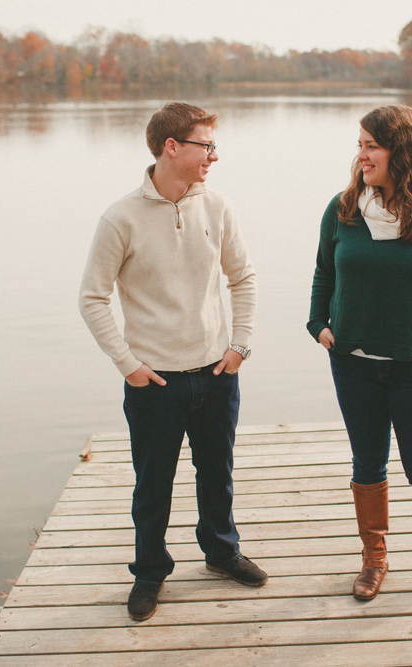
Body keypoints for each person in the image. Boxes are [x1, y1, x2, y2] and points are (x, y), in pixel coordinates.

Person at [80, 102, 265, 622]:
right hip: (153, 381)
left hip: (215, 372)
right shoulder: (120, 217)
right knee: (153, 483)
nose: (214, 155)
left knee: (218, 474)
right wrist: (127, 365)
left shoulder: (218, 207)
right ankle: (149, 572)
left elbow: (244, 278)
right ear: (172, 147)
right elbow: (92, 297)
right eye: (206, 145)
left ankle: (222, 552)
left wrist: (240, 344)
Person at [307, 104, 412, 602]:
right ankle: (374, 560)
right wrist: (318, 323)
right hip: (353, 364)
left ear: (400, 150)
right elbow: (324, 271)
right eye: (359, 145)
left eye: (370, 146)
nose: (361, 156)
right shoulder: (343, 209)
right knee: (367, 463)